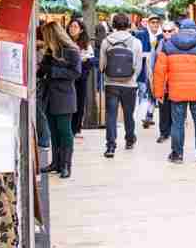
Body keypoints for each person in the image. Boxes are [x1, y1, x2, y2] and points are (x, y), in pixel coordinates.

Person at [153, 19, 196, 165]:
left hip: (176, 92)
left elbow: (159, 71)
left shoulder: (168, 46)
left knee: (177, 123)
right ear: (195, 30)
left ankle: (177, 154)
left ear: (179, 29)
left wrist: (158, 92)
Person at [38, 22, 82, 179]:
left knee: (64, 131)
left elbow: (76, 73)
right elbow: (42, 69)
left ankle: (66, 165)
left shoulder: (72, 51)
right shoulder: (50, 51)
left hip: (64, 96)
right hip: (49, 96)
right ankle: (56, 162)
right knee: (54, 132)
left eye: (45, 36)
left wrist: (52, 71)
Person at [99, 13, 143, 159]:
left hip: (111, 83)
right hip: (129, 84)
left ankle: (110, 146)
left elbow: (101, 66)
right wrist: (133, 78)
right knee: (128, 113)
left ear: (113, 25)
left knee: (111, 115)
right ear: (128, 25)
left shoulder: (106, 41)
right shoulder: (135, 42)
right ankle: (129, 139)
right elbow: (138, 65)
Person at [67, 18, 94, 140]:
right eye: (71, 26)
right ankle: (69, 127)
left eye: (75, 27)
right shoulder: (64, 42)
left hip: (80, 78)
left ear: (81, 29)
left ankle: (76, 128)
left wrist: (83, 61)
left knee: (79, 102)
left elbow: (91, 60)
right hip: (67, 78)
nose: (72, 29)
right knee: (68, 103)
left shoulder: (86, 44)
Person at [150, 21, 177, 144]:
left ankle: (173, 131)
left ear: (174, 31)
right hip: (162, 81)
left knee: (175, 109)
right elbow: (153, 61)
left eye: (169, 31)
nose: (166, 33)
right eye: (164, 31)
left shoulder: (178, 44)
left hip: (175, 81)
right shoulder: (159, 43)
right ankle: (164, 132)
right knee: (163, 108)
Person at [135, 15, 161, 129]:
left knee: (153, 93)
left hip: (157, 70)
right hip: (143, 69)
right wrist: (144, 55)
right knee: (142, 91)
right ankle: (140, 114)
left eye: (157, 22)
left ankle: (149, 115)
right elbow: (135, 51)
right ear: (148, 24)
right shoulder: (140, 35)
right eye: (152, 22)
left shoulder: (161, 37)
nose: (155, 24)